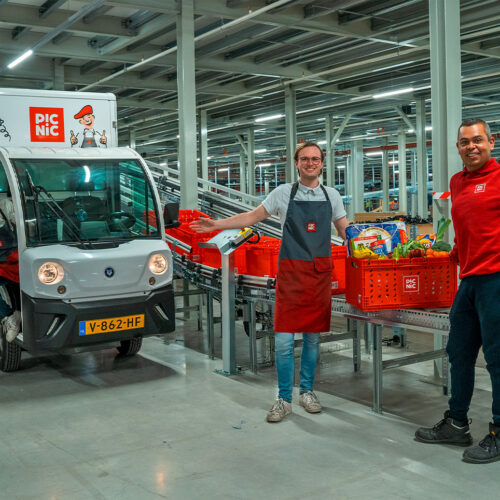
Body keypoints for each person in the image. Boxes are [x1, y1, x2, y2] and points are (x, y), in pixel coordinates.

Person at [190, 141, 348, 422]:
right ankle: (284, 398)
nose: (310, 163)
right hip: (290, 274)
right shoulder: (283, 194)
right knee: (284, 342)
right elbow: (253, 217)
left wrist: (375, 245)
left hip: (319, 276)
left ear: (322, 163)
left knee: (312, 339)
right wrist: (216, 225)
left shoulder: (332, 196)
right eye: (305, 159)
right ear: (296, 163)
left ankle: (307, 391)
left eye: (315, 159)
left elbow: (347, 232)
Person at [415, 118, 500, 464]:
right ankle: (457, 422)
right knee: (459, 352)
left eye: (477, 140)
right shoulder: (457, 182)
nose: (471, 146)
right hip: (469, 281)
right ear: (458, 148)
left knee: (497, 360)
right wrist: (448, 254)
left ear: (491, 142)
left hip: (496, 280)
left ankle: (499, 431)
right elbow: (470, 231)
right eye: (464, 142)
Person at [0, 195, 21, 342]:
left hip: (12, 259)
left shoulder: (5, 204)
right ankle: (9, 315)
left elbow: (23, 226)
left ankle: (11, 316)